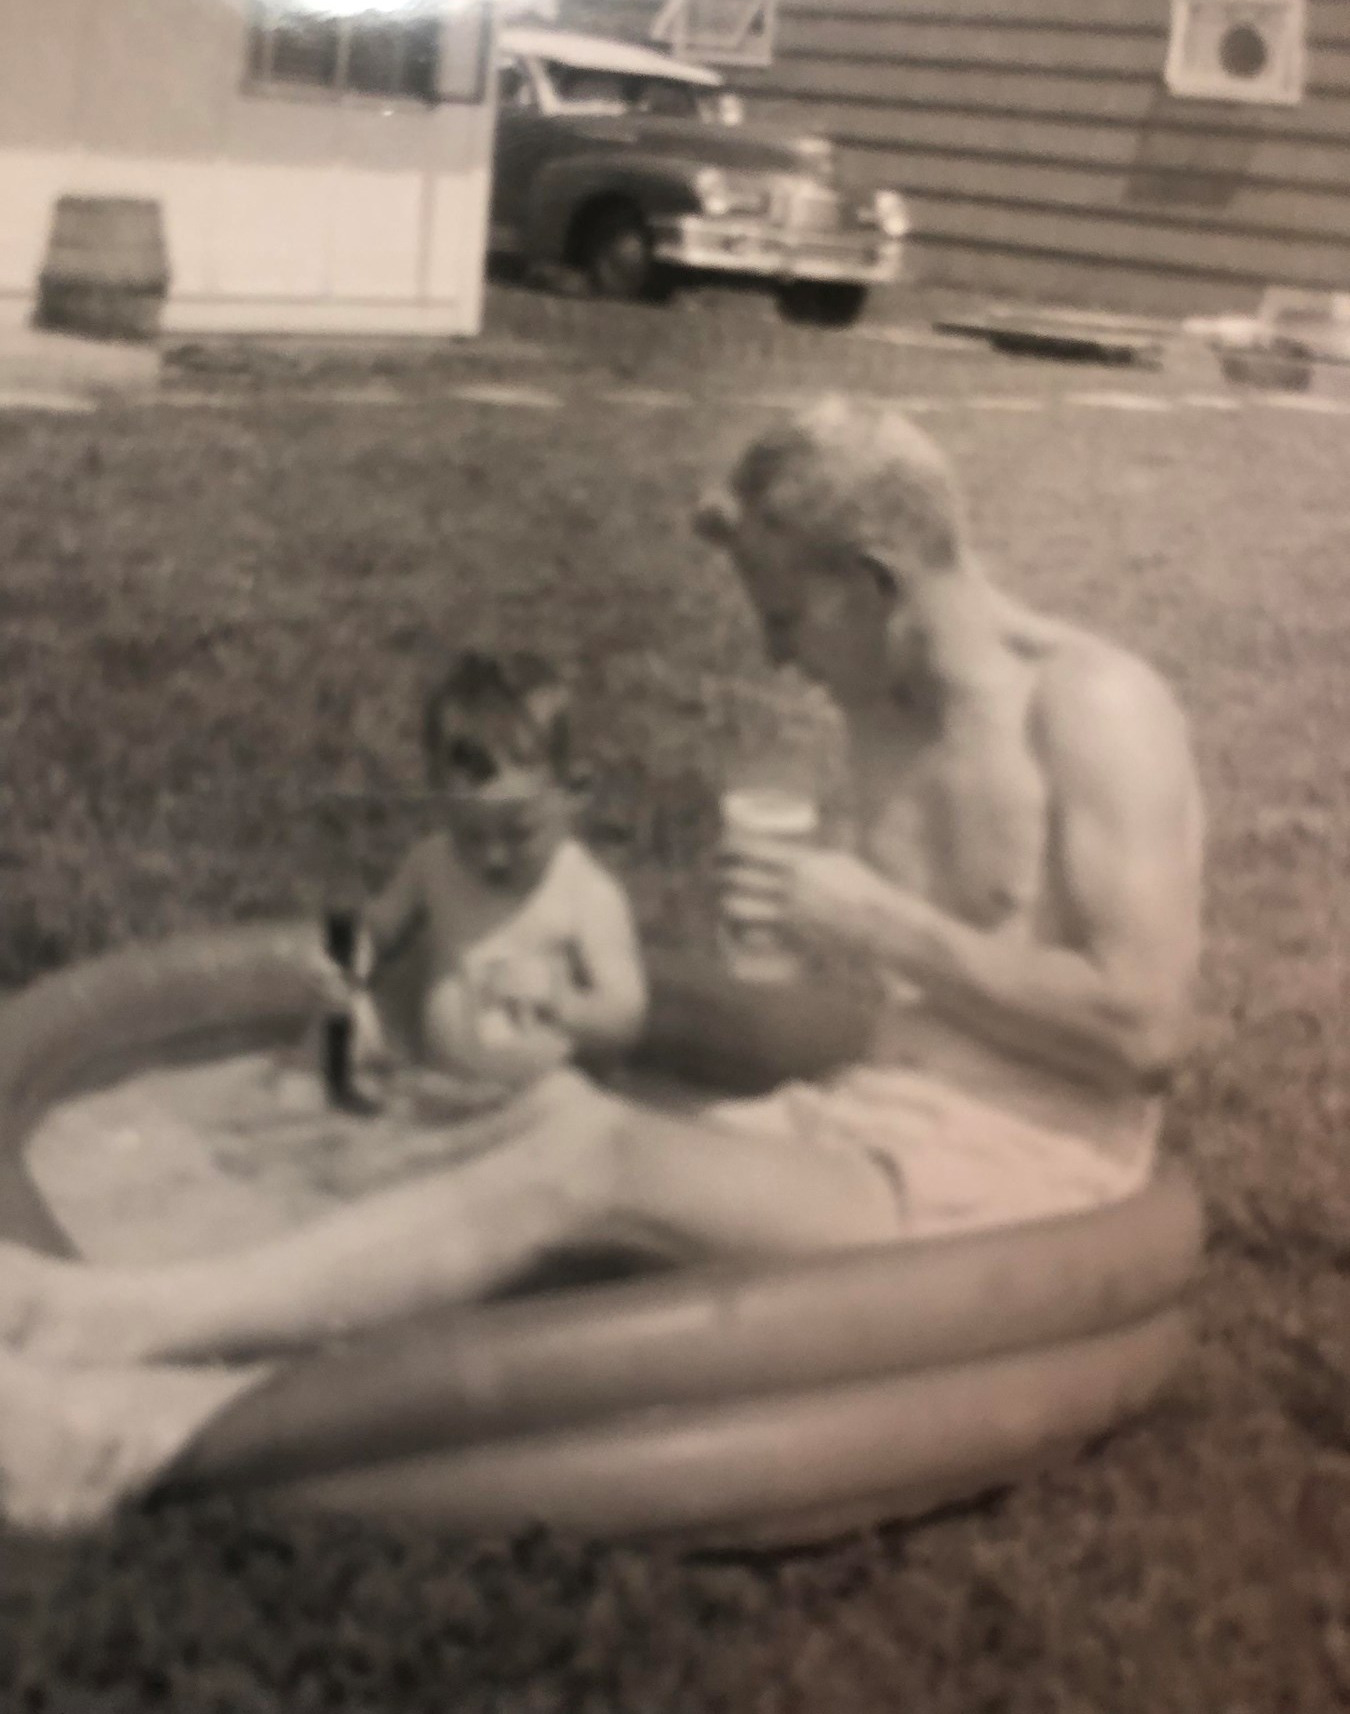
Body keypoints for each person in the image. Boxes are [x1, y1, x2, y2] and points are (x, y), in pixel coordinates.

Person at [0, 399, 1204, 1532]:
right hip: (880, 1118)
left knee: (591, 1153)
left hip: (1019, 1175)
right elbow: (933, 994)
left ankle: (132, 1389)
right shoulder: (886, 702)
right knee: (523, 1119)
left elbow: (1145, 1035)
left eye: (786, 616)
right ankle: (178, 1353)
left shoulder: (1095, 708)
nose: (774, 656)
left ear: (873, 579)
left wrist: (883, 926)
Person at [334, 649, 647, 1103]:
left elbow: (627, 1015)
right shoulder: (433, 864)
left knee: (575, 1110)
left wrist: (559, 1001)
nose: (492, 856)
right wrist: (345, 964)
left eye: (518, 833)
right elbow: (377, 929)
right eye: (469, 833)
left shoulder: (586, 892)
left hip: (547, 1107)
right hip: (441, 1093)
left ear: (572, 793)